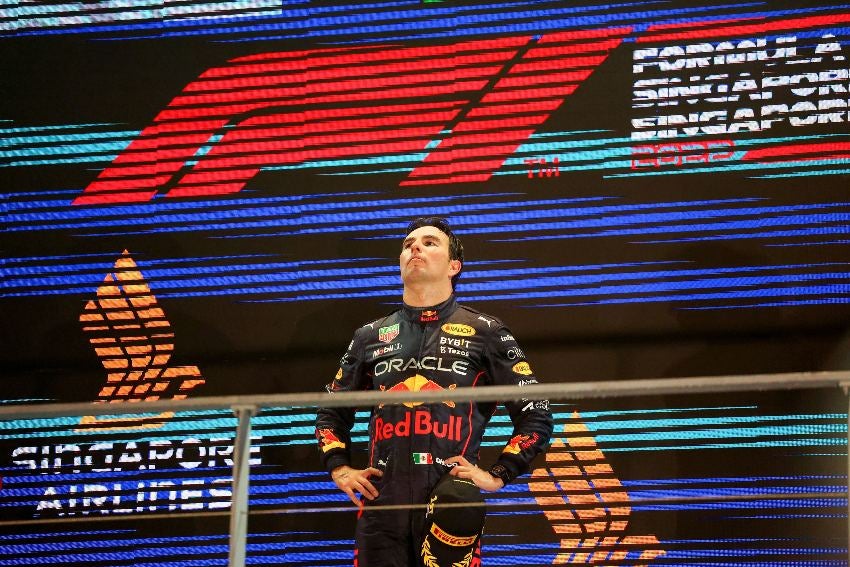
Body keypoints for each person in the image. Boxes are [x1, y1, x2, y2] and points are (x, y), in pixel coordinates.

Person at [315, 217, 553, 567]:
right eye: (408, 244)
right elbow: (331, 412)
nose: (415, 247)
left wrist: (498, 474)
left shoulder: (486, 331)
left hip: (451, 505)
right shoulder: (369, 335)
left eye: (430, 243)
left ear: (454, 266)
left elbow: (536, 414)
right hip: (382, 507)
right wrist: (339, 469)